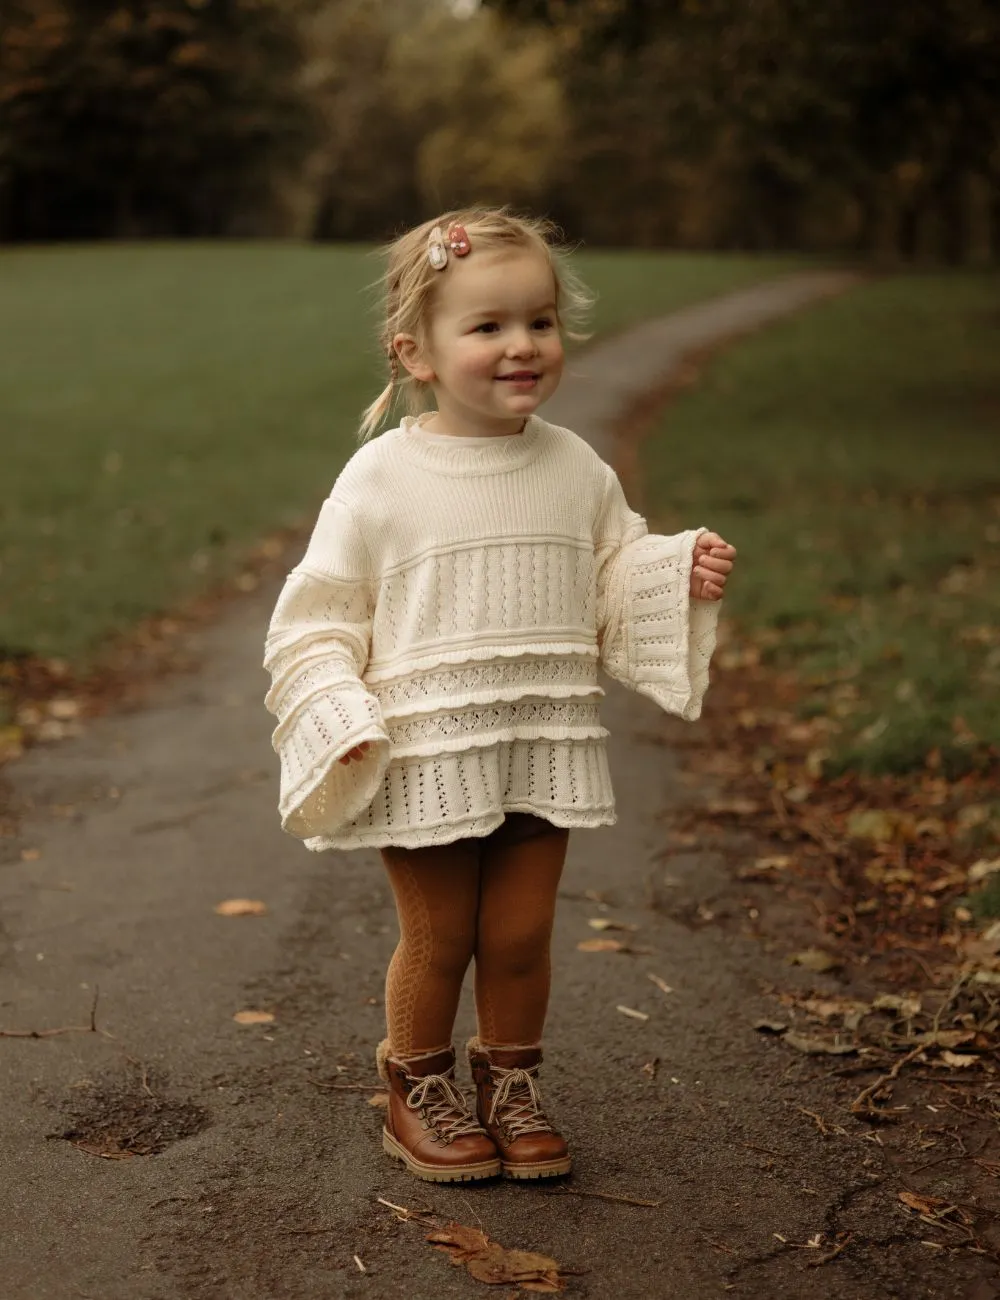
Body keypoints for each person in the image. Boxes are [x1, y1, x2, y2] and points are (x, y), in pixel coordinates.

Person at [264, 208, 736, 1185]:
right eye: (486, 327)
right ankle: (417, 1085)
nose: (521, 345)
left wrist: (669, 570)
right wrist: (338, 708)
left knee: (519, 938)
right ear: (417, 353)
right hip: (426, 749)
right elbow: (318, 611)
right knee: (442, 940)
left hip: (539, 735)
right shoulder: (382, 476)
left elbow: (605, 575)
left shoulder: (575, 467)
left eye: (540, 322)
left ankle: (510, 1084)